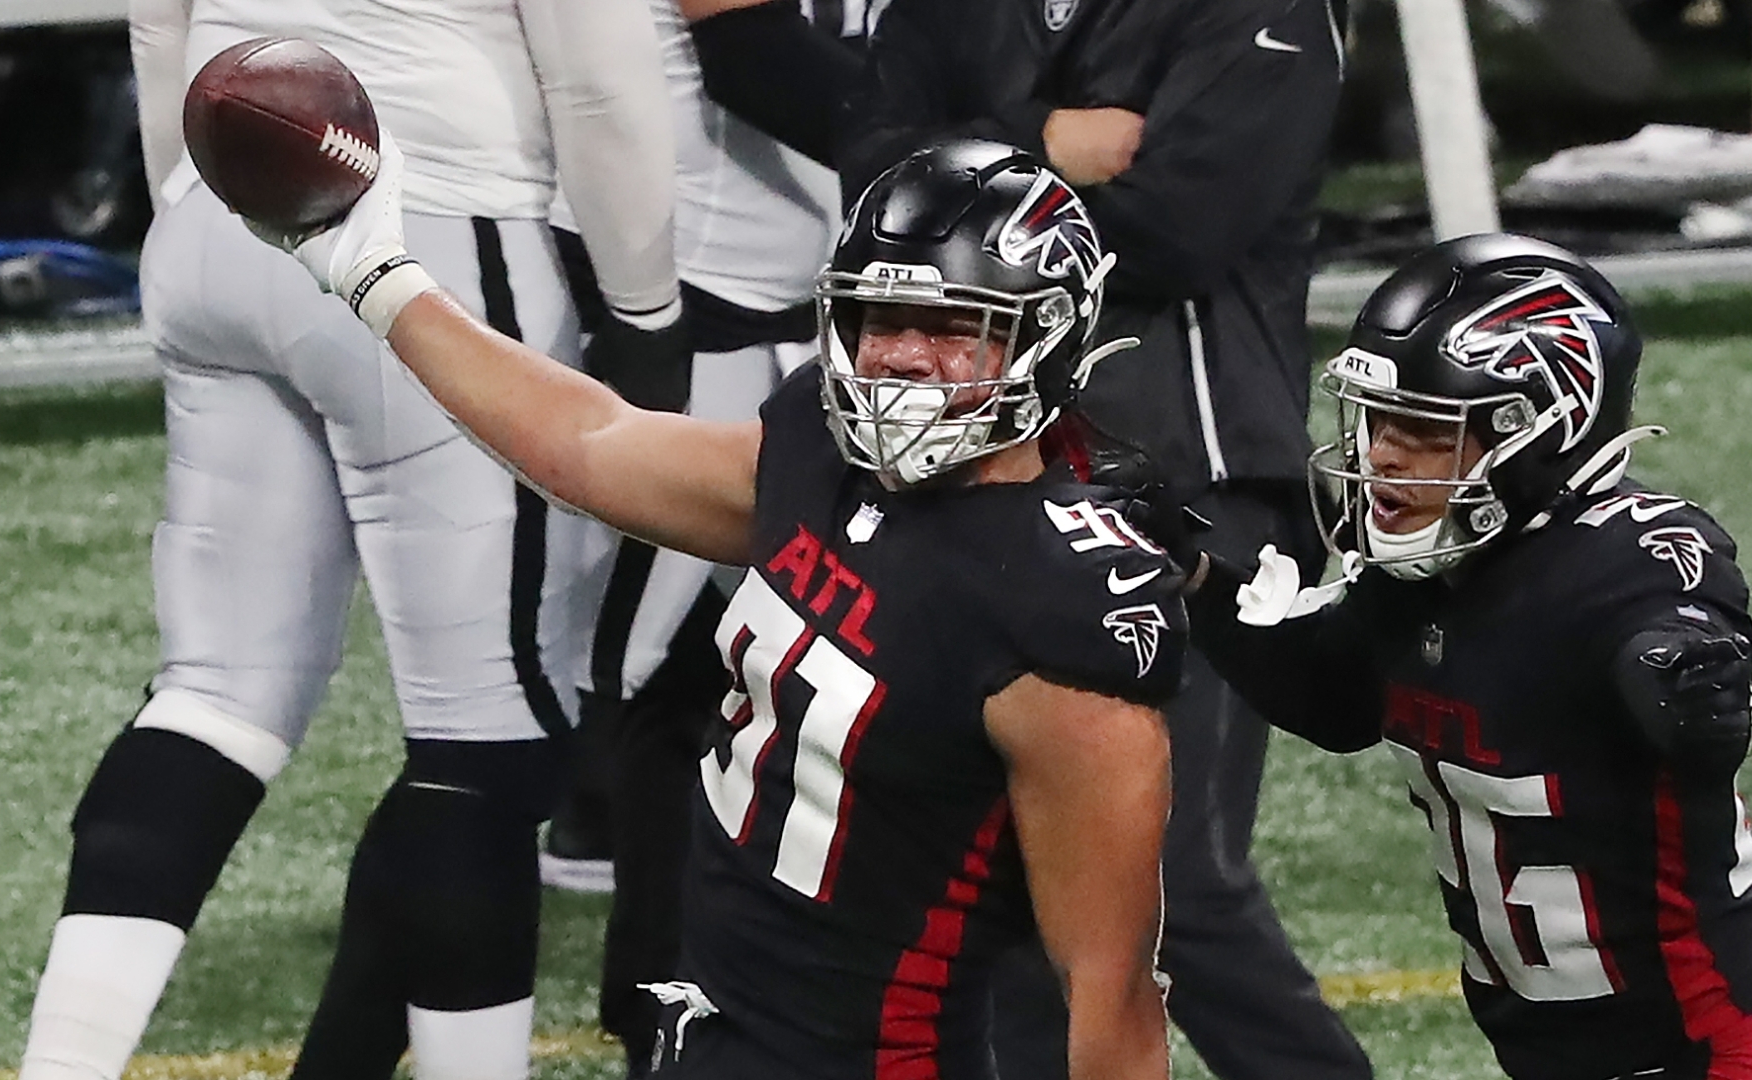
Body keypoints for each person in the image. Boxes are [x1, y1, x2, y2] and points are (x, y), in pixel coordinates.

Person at [255, 136, 1186, 1080]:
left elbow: (1110, 993)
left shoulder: (1059, 612)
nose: (902, 358)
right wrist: (374, 275)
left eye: (952, 327)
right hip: (713, 1031)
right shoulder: (816, 456)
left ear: (1049, 335)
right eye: (879, 318)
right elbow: (593, 442)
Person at [677, 0, 1373, 1075]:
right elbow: (872, 155)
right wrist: (1050, 144)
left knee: (1172, 886)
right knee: (988, 900)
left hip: (1192, 486)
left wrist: (972, 165)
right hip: (974, 484)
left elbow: (1183, 220)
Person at [17, 2, 679, 1079]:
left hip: (218, 209)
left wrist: (188, 202)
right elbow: (598, 75)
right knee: (488, 743)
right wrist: (650, 312)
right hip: (430, 222)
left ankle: (63, 1065)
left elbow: (157, 26)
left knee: (214, 694)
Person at [1177, 233, 1752, 1080]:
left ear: (1539, 433)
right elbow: (1333, 698)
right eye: (1379, 421)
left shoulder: (1623, 559)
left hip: (1708, 1051)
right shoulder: (1422, 573)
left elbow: (1686, 635)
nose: (1381, 453)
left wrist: (1683, 672)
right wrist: (1195, 575)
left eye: (1422, 428)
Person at [538, 0, 848, 1072]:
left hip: (739, 312)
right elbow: (751, 53)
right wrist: (995, 145)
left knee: (712, 686)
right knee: (609, 700)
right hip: (684, 316)